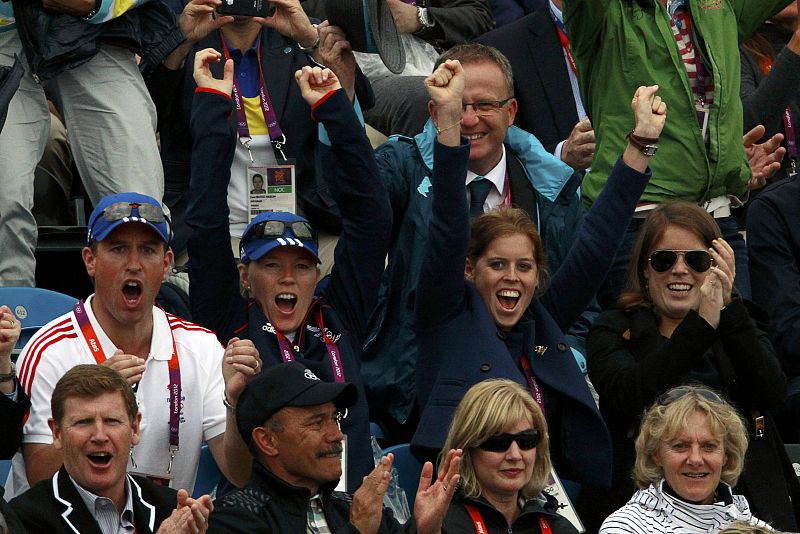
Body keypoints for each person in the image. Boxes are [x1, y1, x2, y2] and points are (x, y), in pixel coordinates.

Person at [411, 54, 665, 521]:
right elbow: (448, 225)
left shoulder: (540, 322)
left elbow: (594, 245)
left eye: (524, 266)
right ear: (469, 270)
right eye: (498, 265)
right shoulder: (444, 314)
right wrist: (449, 126)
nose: (512, 277)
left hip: (542, 502)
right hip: (462, 507)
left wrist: (642, 143)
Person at [361, 43, 590, 442]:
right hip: (413, 395)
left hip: (519, 401)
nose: (468, 119)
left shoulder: (550, 189)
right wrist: (343, 96)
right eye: (456, 105)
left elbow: (580, 297)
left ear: (511, 111)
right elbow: (352, 204)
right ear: (435, 110)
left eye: (484, 105)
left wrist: (562, 359)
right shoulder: (401, 166)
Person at [185, 50, 391, 492]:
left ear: (317, 276)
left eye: (301, 266)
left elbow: (371, 219)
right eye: (271, 265)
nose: (287, 278)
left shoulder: (339, 317)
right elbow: (203, 223)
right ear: (246, 278)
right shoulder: (226, 324)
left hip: (348, 513)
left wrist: (333, 108)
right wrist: (213, 105)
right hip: (268, 518)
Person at [10, 191, 257, 498]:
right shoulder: (50, 350)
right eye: (118, 249)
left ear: (167, 264)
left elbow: (240, 472)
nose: (134, 264)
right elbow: (40, 477)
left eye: (148, 250)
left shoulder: (202, 347)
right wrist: (91, 400)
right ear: (90, 260)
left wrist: (235, 405)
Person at [563, 0, 792, 304]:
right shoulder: (606, 11)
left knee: (739, 345)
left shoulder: (717, 5)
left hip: (716, 220)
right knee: (651, 349)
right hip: (639, 224)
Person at [587, 201, 795, 529]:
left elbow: (771, 390)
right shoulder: (613, 330)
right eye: (664, 259)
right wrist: (700, 324)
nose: (680, 270)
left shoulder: (740, 323)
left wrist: (728, 311)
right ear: (644, 268)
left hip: (750, 503)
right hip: (647, 513)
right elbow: (631, 395)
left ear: (718, 267)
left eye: (696, 260)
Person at [150, 0, 374, 265]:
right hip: (209, 229)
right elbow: (150, 110)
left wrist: (312, 44)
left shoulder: (303, 34)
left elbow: (356, 114)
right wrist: (181, 42)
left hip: (300, 227)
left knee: (365, 261)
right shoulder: (180, 33)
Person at [0, 0, 184, 286]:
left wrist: (97, 4)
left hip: (94, 30)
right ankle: (11, 317)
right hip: (4, 35)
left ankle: (144, 316)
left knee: (138, 206)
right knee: (5, 196)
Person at [208, 361, 462, 532]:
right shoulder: (233, 519)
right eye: (317, 423)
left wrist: (423, 530)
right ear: (268, 440)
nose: (337, 435)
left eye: (334, 419)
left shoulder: (354, 507)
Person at [10, 364, 213, 534]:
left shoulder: (170, 508)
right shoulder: (24, 519)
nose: (99, 436)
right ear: (57, 433)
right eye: (83, 422)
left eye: (112, 421)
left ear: (134, 429)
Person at [600, 386, 771, 533]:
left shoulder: (756, 529)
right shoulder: (627, 527)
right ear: (656, 454)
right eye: (680, 446)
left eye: (709, 446)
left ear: (726, 455)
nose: (695, 459)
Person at [440, 379, 578, 533]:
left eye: (526, 440)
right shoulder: (439, 524)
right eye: (498, 441)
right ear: (467, 449)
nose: (515, 455)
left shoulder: (558, 528)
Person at [478, 0, 594, 173]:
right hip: (563, 192)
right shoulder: (501, 50)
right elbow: (495, 156)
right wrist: (560, 157)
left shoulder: (644, 31)